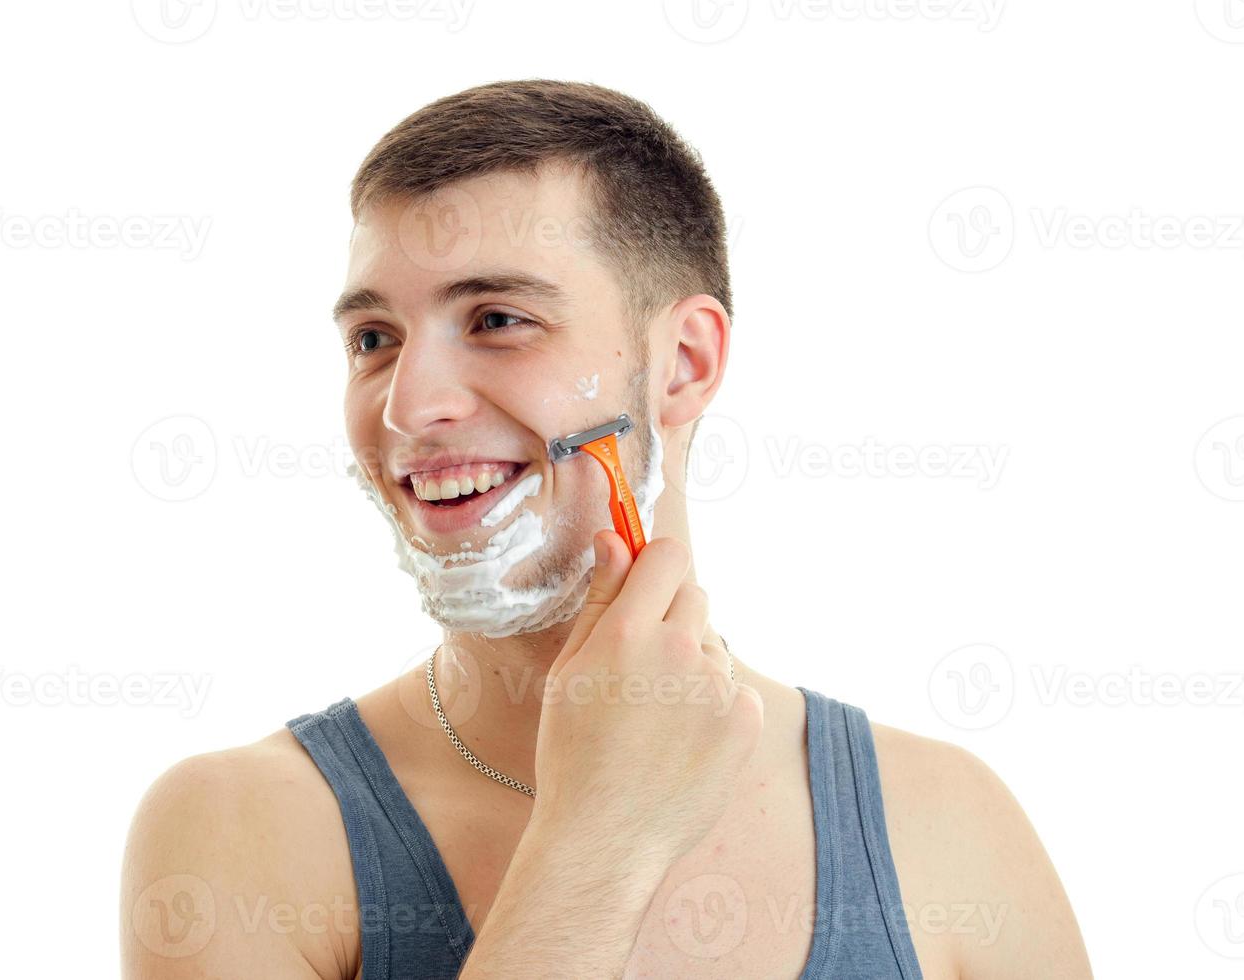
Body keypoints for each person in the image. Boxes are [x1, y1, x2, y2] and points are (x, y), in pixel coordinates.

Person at [122, 79, 1092, 979]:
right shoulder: (239, 830)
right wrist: (596, 842)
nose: (408, 405)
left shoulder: (948, 822)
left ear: (682, 363)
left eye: (498, 318)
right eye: (374, 339)